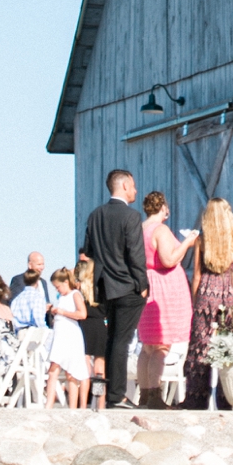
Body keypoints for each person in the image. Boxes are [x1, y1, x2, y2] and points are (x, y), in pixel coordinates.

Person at [82, 168, 149, 408]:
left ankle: (107, 394)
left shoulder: (95, 215)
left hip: (105, 287)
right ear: (123, 186)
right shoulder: (131, 217)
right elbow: (135, 254)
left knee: (111, 340)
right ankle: (117, 395)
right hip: (128, 286)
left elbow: (87, 251)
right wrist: (143, 284)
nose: (135, 190)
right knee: (122, 340)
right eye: (132, 186)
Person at [183, 196, 233, 409]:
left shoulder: (202, 241)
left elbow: (197, 276)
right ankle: (227, 398)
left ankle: (196, 398)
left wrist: (195, 303)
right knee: (229, 347)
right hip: (230, 292)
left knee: (202, 347)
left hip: (206, 293)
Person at [136, 191, 199, 408]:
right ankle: (154, 394)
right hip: (163, 290)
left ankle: (144, 393)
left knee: (147, 347)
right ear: (163, 207)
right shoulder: (160, 230)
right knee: (161, 345)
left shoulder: (140, 229)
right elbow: (168, 259)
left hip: (146, 286)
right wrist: (187, 243)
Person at [44, 267, 89, 408]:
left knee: (72, 373)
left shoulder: (75, 294)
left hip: (71, 335)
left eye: (57, 287)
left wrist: (62, 312)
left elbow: (82, 314)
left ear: (65, 282)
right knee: (53, 369)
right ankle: (49, 404)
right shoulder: (62, 297)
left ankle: (73, 407)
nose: (57, 290)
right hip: (60, 335)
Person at [75, 257, 108, 401]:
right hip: (100, 325)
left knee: (85, 363)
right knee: (100, 366)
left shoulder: (80, 287)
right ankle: (99, 397)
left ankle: (85, 397)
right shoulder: (103, 287)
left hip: (84, 324)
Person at [11, 257, 56, 335]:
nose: (42, 267)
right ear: (30, 265)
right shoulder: (18, 280)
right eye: (39, 264)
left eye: (43, 264)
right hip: (33, 331)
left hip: (38, 326)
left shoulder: (43, 282)